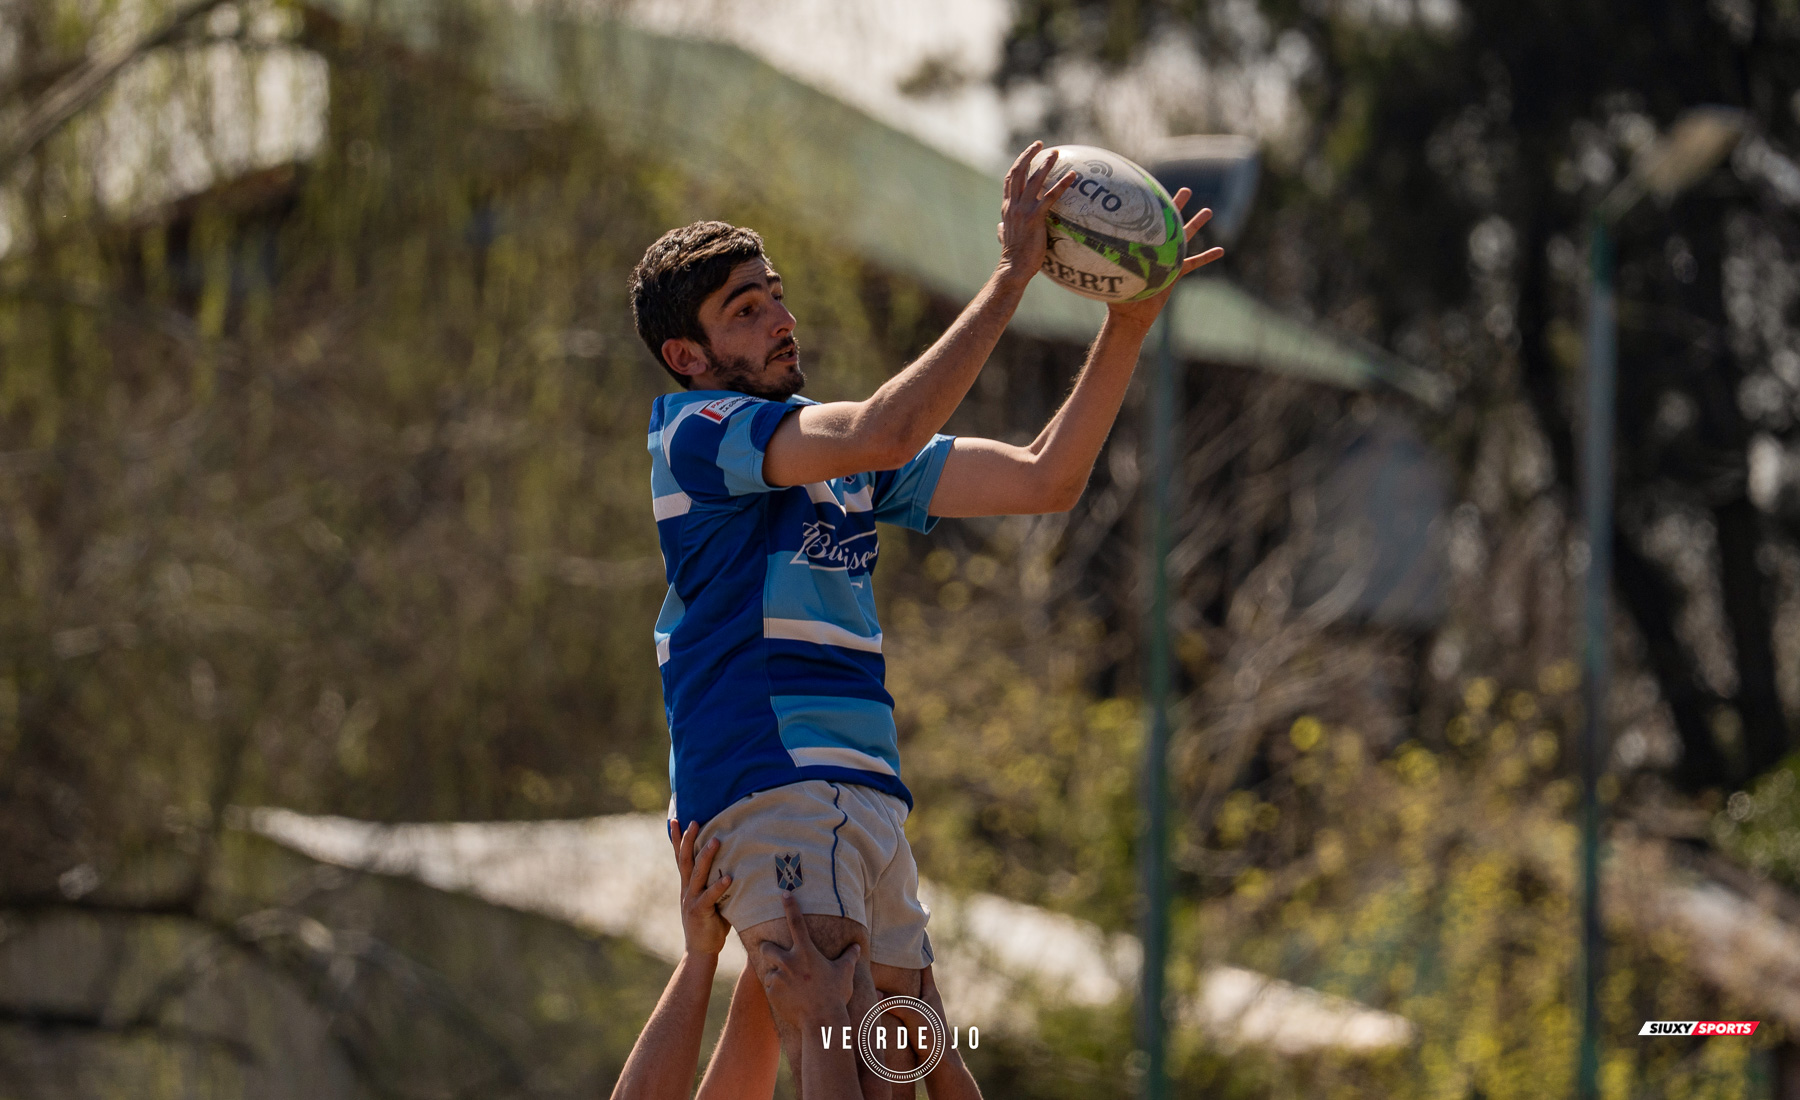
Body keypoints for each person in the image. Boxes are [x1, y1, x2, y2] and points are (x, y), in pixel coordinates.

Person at [630, 140, 1222, 1095]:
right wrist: (1011, 276)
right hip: (774, 773)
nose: (780, 317)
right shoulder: (697, 432)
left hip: (862, 791)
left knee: (899, 1065)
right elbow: (886, 429)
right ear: (686, 357)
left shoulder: (837, 451)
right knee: (837, 1047)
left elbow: (1045, 478)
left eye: (776, 294)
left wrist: (1129, 322)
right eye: (745, 310)